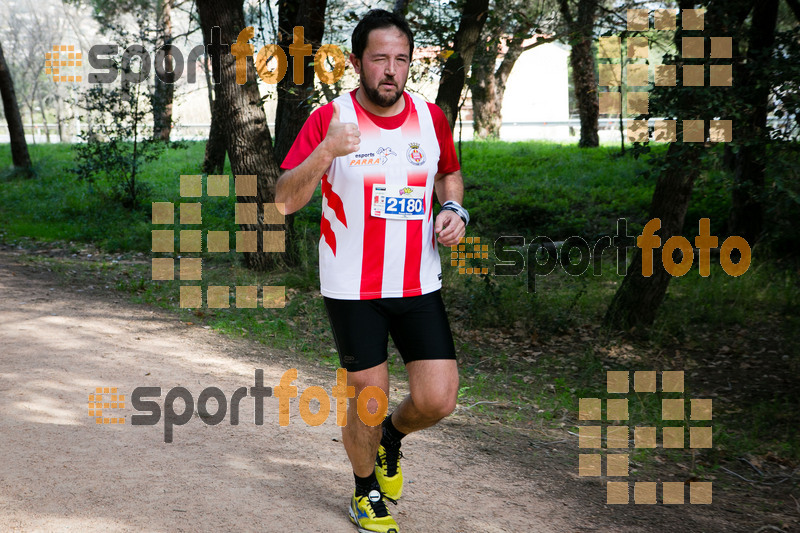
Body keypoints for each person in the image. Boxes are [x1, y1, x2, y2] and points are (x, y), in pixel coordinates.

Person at [275, 9, 468, 533]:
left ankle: (390, 438)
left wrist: (454, 211)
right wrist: (325, 153)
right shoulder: (329, 119)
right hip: (352, 284)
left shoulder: (431, 119)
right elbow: (284, 202)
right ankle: (365, 490)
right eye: (379, 58)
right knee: (368, 393)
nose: (391, 70)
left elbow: (449, 174)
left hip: (417, 282)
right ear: (358, 61)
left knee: (437, 399)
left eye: (400, 59)